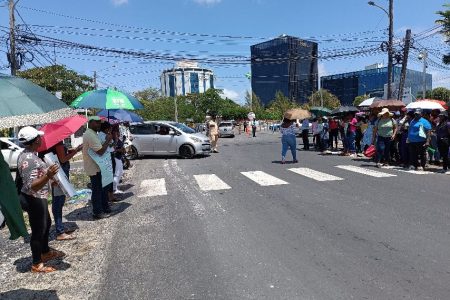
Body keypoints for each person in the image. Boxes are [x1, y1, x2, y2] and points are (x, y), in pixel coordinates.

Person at [17, 126, 65, 273]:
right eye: (39, 137)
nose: (41, 138)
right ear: (36, 140)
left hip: (39, 197)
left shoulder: (31, 154)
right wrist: (48, 176)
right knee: (38, 229)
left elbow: (37, 177)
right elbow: (32, 186)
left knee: (46, 223)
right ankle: (36, 263)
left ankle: (45, 252)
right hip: (33, 198)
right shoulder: (29, 159)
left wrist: (49, 180)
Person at [41, 141, 82, 241]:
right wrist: (76, 150)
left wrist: (68, 151)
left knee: (58, 200)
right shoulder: (57, 142)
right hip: (59, 175)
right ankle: (60, 231)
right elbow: (63, 159)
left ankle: (60, 228)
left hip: (56, 173)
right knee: (58, 201)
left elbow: (60, 155)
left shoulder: (52, 143)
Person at [83, 116, 113, 219]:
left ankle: (103, 208)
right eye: (97, 123)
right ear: (90, 123)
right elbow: (100, 151)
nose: (99, 125)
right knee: (97, 190)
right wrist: (108, 140)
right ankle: (97, 212)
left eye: (99, 123)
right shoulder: (90, 135)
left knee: (101, 189)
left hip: (97, 166)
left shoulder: (92, 134)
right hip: (94, 167)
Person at [98, 122, 116, 202]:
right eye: (110, 128)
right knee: (109, 176)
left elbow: (111, 146)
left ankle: (110, 195)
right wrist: (109, 139)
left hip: (110, 154)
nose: (111, 130)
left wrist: (114, 139)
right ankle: (108, 196)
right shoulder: (101, 135)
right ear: (106, 128)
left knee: (111, 175)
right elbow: (104, 147)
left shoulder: (107, 135)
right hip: (107, 157)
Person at [112, 128, 126, 193]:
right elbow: (113, 149)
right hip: (115, 158)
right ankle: (114, 189)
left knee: (120, 172)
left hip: (119, 158)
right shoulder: (112, 141)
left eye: (118, 133)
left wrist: (123, 150)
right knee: (117, 173)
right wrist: (119, 150)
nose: (118, 134)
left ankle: (116, 187)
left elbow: (123, 149)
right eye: (116, 133)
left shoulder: (118, 140)